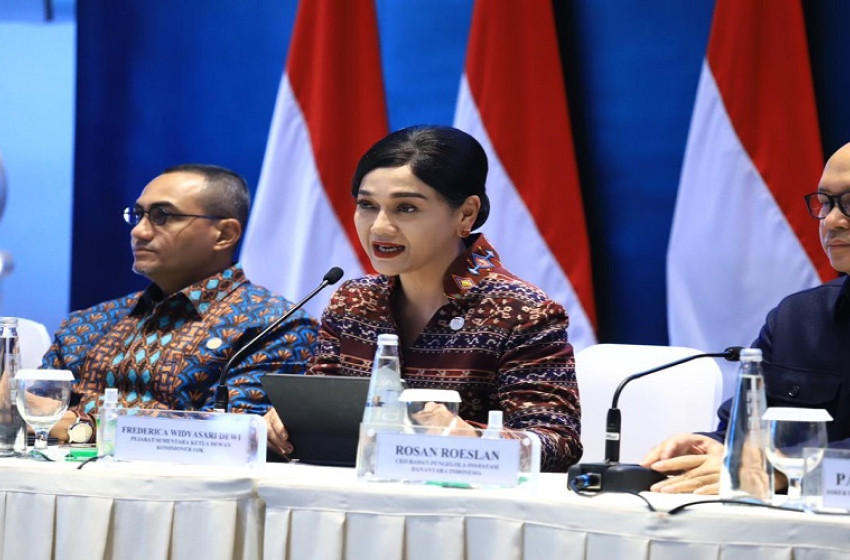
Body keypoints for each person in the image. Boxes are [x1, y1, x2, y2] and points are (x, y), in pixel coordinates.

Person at [267, 125, 582, 471]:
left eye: (406, 208)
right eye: (367, 205)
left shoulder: (522, 311)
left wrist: (476, 439)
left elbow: (559, 443)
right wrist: (285, 423)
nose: (379, 227)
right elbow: (320, 409)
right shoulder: (353, 301)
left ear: (466, 214)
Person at [42, 164, 317, 450]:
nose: (139, 231)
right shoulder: (90, 321)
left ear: (224, 234)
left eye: (162, 216)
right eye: (138, 215)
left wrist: (82, 426)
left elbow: (231, 434)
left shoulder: (275, 325)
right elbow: (35, 410)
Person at [642, 142, 850, 493]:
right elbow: (744, 430)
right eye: (826, 203)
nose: (831, 220)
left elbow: (772, 466)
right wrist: (718, 446)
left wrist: (786, 470)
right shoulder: (797, 319)